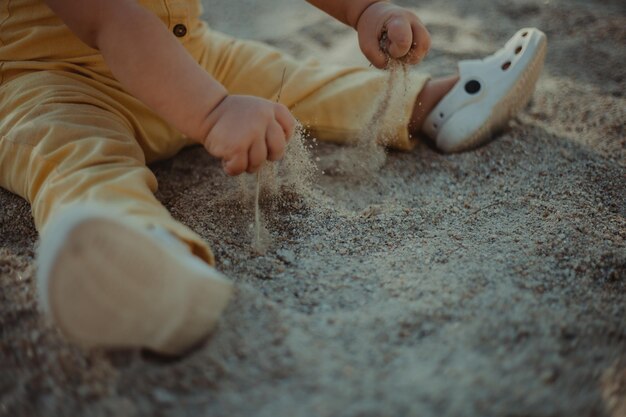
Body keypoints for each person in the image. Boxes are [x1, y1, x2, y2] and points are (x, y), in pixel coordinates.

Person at [0, 0, 547, 355]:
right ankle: (142, 265)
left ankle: (437, 104)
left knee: (292, 79)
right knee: (74, 158)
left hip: (189, 56)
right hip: (53, 81)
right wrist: (213, 114)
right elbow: (113, 20)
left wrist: (364, 11)